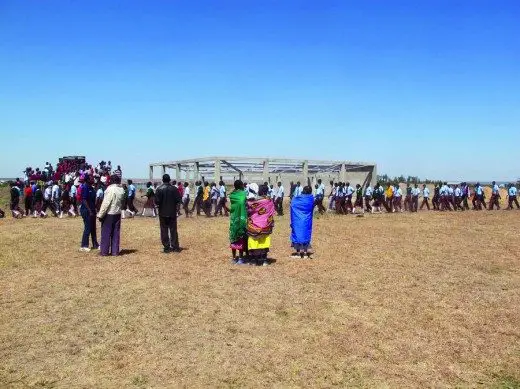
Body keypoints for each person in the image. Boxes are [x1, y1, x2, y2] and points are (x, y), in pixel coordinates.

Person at [247, 184, 275, 266]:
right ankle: (264, 260)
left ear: (260, 191)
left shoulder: (254, 202)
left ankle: (254, 260)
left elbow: (248, 208)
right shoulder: (270, 201)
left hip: (255, 225)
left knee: (253, 241)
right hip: (266, 225)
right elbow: (272, 211)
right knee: (264, 241)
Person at [98, 175, 125, 256]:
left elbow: (106, 203)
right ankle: (115, 251)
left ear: (111, 181)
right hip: (117, 213)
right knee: (115, 233)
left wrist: (101, 215)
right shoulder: (121, 189)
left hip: (109, 213)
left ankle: (104, 252)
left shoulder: (110, 189)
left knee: (106, 233)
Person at [155, 174, 181, 253]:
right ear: (169, 180)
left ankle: (166, 247)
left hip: (162, 213)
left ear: (162, 180)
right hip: (172, 212)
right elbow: (179, 200)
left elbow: (157, 201)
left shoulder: (159, 189)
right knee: (173, 230)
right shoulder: (174, 189)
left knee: (164, 230)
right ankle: (175, 247)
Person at [290, 185, 314, 259]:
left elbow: (292, 203)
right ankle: (306, 253)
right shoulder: (311, 199)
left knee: (297, 234)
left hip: (297, 220)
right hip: (307, 220)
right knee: (306, 234)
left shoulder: (297, 199)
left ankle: (298, 253)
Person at [229, 180, 248, 264]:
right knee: (241, 236)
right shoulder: (243, 194)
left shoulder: (232, 195)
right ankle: (240, 258)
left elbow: (232, 206)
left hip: (234, 218)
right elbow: (245, 202)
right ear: (241, 185)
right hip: (241, 218)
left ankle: (233, 258)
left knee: (233, 235)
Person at [79, 175, 99, 252]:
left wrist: (95, 209)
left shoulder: (92, 188)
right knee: (88, 228)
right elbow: (84, 200)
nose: (93, 179)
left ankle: (95, 244)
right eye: (91, 178)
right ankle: (84, 245)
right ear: (87, 180)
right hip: (86, 211)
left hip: (92, 210)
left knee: (93, 228)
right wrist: (90, 210)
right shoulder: (85, 187)